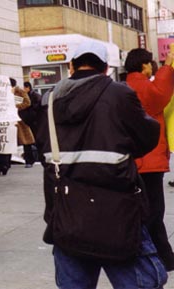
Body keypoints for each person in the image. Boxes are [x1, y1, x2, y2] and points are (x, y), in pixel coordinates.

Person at [32, 41, 167, 288]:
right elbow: (147, 135)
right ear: (105, 68)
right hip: (118, 212)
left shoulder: (49, 101)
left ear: (70, 66)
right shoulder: (120, 94)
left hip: (66, 213)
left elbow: (43, 149)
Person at [125, 48, 174, 271]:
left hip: (136, 161)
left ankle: (164, 256)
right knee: (154, 212)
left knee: (148, 212)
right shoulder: (140, 84)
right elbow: (159, 95)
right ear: (144, 65)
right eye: (150, 63)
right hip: (148, 161)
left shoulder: (125, 85)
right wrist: (168, 65)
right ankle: (161, 257)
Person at [14, 86, 36, 168]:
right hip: (9, 119)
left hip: (20, 118)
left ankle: (29, 160)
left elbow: (27, 102)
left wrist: (16, 107)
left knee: (25, 141)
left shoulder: (20, 92)